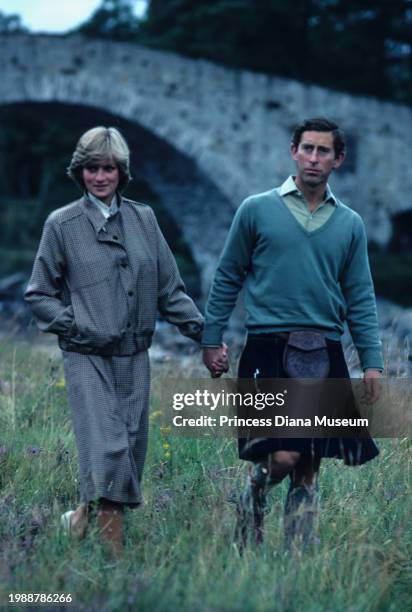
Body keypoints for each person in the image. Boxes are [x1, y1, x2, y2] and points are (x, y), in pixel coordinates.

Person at [202, 117, 383, 551]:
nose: (314, 158)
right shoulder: (256, 209)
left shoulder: (350, 223)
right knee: (282, 454)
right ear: (293, 152)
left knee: (310, 462)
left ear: (338, 159)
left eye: (324, 151)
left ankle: (297, 554)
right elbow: (228, 276)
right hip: (267, 346)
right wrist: (212, 339)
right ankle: (253, 497)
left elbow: (360, 295)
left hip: (324, 349)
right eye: (307, 149)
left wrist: (372, 362)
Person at [24, 126, 204, 556]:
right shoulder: (61, 224)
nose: (99, 177)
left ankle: (80, 519)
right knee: (107, 450)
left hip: (134, 358)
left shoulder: (144, 219)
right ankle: (114, 566)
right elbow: (38, 294)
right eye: (91, 168)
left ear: (121, 172)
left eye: (107, 168)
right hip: (86, 357)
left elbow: (169, 290)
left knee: (129, 455)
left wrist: (204, 333)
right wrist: (77, 325)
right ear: (79, 172)